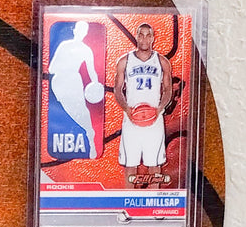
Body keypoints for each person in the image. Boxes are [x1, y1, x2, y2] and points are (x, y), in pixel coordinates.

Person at [113, 23, 172, 185]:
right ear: (136, 36)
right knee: (130, 165)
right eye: (141, 34)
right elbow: (117, 89)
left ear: (153, 38)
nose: (144, 38)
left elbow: (168, 90)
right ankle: (129, 204)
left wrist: (159, 109)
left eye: (148, 35)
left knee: (154, 165)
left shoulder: (162, 62)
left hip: (155, 118)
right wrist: (127, 109)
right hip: (131, 118)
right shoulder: (124, 61)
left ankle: (153, 204)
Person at [48, 21, 101, 159]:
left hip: (73, 81)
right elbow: (51, 68)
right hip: (60, 82)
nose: (81, 33)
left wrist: (96, 84)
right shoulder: (64, 46)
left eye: (84, 31)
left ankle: (90, 136)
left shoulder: (86, 50)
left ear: (84, 33)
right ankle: (88, 132)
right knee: (73, 110)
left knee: (82, 110)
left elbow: (92, 71)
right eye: (80, 30)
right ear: (75, 31)